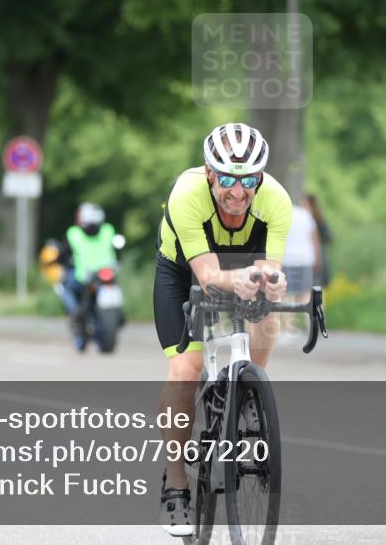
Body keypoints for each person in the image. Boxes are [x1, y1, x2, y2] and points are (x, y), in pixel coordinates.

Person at [154, 123, 290, 536]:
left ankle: (251, 389)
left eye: (248, 180)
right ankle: (176, 482)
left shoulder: (276, 201)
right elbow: (209, 274)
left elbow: (269, 265)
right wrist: (242, 278)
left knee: (268, 305)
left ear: (260, 178)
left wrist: (272, 280)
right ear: (210, 173)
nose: (238, 191)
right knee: (185, 371)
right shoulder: (186, 194)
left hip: (242, 264)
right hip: (185, 273)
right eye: (228, 179)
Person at [58, 202, 119, 351]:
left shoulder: (73, 233)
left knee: (64, 286)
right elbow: (118, 249)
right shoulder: (108, 230)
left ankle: (74, 313)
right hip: (107, 273)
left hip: (84, 276)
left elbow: (63, 255)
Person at [282, 203, 320, 302]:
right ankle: (309, 317)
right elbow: (314, 238)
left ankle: (290, 318)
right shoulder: (305, 214)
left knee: (287, 293)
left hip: (287, 259)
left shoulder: (281, 214)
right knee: (306, 292)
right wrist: (316, 258)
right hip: (305, 258)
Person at [303, 193, 333, 287]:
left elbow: (328, 237)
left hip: (318, 252)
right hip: (308, 253)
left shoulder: (316, 219)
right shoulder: (306, 217)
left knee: (317, 282)